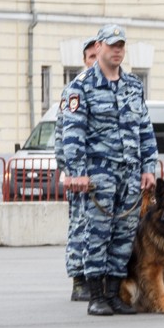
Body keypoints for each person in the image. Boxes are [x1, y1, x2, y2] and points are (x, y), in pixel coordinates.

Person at [60, 24, 157, 316]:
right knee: (97, 233)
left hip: (129, 172)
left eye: (121, 46)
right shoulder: (81, 86)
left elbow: (144, 129)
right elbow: (72, 132)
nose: (117, 50)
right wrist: (76, 172)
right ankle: (96, 295)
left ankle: (115, 294)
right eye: (112, 45)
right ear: (99, 46)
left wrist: (149, 167)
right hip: (97, 173)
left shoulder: (133, 86)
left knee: (124, 233)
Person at [55, 36, 100, 301]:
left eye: (99, 55)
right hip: (81, 173)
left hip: (107, 172)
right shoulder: (75, 89)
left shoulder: (115, 87)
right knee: (80, 226)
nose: (96, 61)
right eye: (91, 57)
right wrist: (70, 170)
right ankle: (79, 277)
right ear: (85, 60)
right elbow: (63, 134)